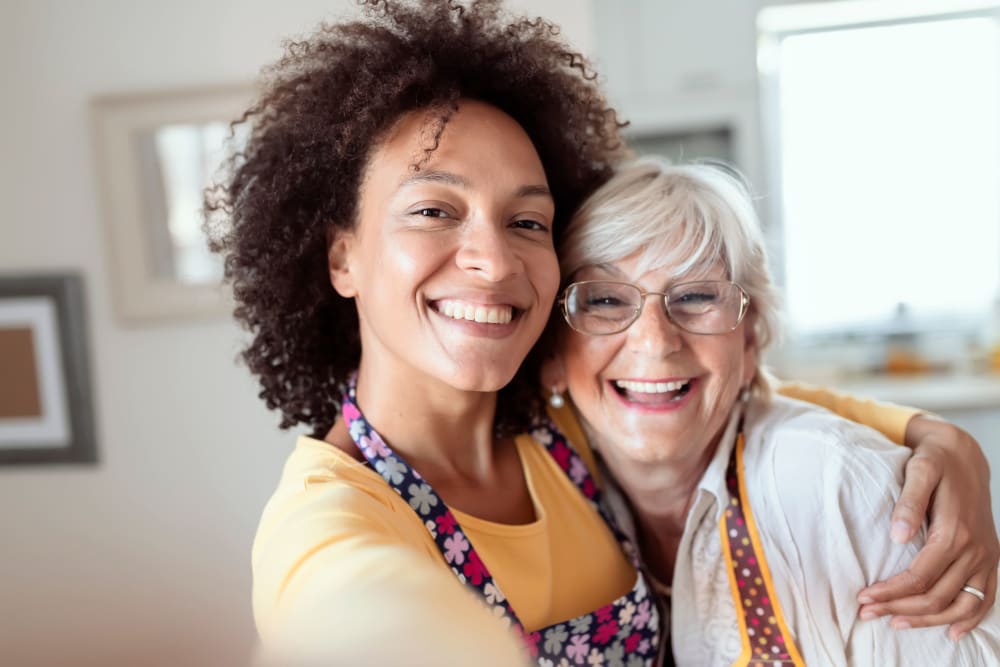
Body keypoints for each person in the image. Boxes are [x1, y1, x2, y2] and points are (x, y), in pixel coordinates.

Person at [206, 1, 998, 663]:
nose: (491, 259)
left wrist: (931, 436)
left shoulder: (561, 425)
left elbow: (725, 389)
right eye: (434, 210)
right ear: (341, 254)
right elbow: (357, 614)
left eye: (526, 220)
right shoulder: (327, 518)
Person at [544, 156, 1000, 665]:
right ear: (553, 354)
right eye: (605, 300)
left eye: (695, 295)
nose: (654, 342)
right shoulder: (537, 481)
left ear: (751, 337)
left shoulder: (833, 489)